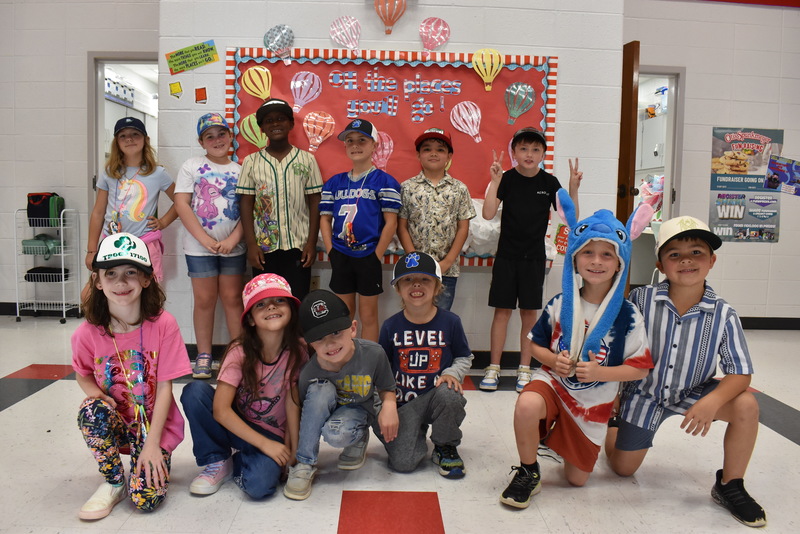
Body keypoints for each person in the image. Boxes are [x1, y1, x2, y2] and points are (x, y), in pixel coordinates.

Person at [605, 216, 767, 528]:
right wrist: (613, 396)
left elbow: (740, 373)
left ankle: (730, 485)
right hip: (644, 393)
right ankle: (614, 426)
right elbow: (618, 349)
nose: (686, 261)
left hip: (695, 390)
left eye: (696, 252)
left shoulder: (724, 313)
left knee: (747, 404)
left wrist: (712, 400)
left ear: (712, 261)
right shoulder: (641, 300)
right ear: (661, 264)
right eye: (675, 254)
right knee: (622, 469)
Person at [500, 190, 653, 508]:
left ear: (620, 263)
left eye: (607, 255)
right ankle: (529, 470)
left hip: (592, 404)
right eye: (588, 253)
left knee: (577, 479)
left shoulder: (628, 315)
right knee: (527, 404)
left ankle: (563, 436)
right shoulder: (559, 304)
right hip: (554, 386)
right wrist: (553, 361)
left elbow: (639, 367)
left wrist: (600, 372)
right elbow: (533, 345)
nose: (596, 261)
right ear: (575, 258)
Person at [72, 233, 191, 520]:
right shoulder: (87, 333)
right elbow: (82, 373)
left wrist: (152, 444)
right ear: (98, 281)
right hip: (118, 422)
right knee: (91, 410)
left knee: (146, 501)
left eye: (131, 273)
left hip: (154, 427)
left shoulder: (163, 324)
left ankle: (141, 470)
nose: (121, 283)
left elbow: (165, 389)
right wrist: (95, 394)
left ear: (147, 279)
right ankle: (114, 481)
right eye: (110, 274)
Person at [180, 273, 307, 499]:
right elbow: (220, 410)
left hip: (272, 432)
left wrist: (292, 452)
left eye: (279, 301)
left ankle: (241, 458)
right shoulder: (239, 351)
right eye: (261, 304)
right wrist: (264, 445)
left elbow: (293, 404)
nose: (271, 307)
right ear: (250, 319)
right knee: (195, 392)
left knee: (259, 487)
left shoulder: (299, 350)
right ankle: (217, 459)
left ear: (291, 309)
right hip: (237, 425)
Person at [480, 127, 583, 393]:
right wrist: (494, 181)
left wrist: (573, 189)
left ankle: (525, 368)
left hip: (534, 259)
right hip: (506, 257)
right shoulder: (507, 179)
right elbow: (489, 213)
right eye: (523, 148)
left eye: (535, 149)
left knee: (529, 314)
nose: (529, 154)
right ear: (514, 152)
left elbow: (571, 219)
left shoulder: (549, 183)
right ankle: (493, 367)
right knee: (501, 313)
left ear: (543, 155)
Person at [284, 289, 398, 501]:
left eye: (336, 332)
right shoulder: (309, 372)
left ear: (353, 328)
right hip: (328, 411)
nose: (330, 344)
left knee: (336, 434)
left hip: (357, 412)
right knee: (319, 390)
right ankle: (305, 463)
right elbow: (304, 413)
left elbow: (386, 388)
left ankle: (358, 437)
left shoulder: (374, 353)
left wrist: (389, 406)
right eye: (319, 338)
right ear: (309, 342)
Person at [378, 251, 473, 477]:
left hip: (435, 398)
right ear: (398, 288)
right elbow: (381, 369)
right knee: (403, 464)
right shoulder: (390, 326)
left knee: (450, 394)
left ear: (438, 286)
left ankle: (444, 444)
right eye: (408, 280)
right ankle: (414, 431)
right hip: (405, 403)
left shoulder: (451, 322)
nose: (416, 285)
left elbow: (464, 356)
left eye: (425, 279)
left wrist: (452, 373)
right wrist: (388, 404)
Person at [174, 113, 246, 379]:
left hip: (233, 248)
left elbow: (246, 212)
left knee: (232, 299)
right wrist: (205, 240)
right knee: (204, 300)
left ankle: (238, 354)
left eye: (221, 134)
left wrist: (233, 240)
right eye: (209, 136)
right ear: (201, 141)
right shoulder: (191, 166)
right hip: (198, 247)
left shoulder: (240, 170)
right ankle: (203, 355)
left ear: (230, 137)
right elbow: (182, 204)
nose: (217, 140)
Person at [319, 119, 402, 342]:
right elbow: (325, 219)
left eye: (362, 140)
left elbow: (391, 223)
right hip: (341, 254)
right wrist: (331, 250)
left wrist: (376, 255)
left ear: (374, 145)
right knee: (344, 316)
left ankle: (369, 363)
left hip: (368, 255)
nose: (355, 145)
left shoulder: (385, 182)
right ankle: (346, 359)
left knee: (368, 315)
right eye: (350, 141)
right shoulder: (334, 183)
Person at [237, 98, 323, 300]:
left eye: (281, 119)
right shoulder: (251, 162)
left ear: (291, 124)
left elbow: (315, 201)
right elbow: (246, 203)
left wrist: (311, 242)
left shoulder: (306, 160)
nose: (275, 124)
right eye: (269, 121)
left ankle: (297, 334)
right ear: (262, 128)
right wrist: (251, 244)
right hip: (264, 248)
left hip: (298, 247)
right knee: (267, 301)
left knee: (298, 299)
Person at [86, 117, 177, 282]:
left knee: (148, 293)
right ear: (117, 142)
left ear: (145, 139)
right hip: (112, 244)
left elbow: (181, 201)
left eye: (135, 134)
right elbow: (98, 213)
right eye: (123, 136)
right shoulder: (109, 173)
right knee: (112, 292)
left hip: (145, 243)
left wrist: (163, 222)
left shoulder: (158, 173)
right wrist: (91, 250)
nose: (129, 139)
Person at [397, 128, 476, 311]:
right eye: (427, 149)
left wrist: (447, 262)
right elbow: (401, 226)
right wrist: (414, 258)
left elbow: (463, 228)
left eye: (440, 149)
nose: (433, 153)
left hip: (446, 270)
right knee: (414, 315)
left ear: (449, 156)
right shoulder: (407, 188)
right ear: (418, 155)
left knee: (441, 319)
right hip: (413, 268)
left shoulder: (459, 189)